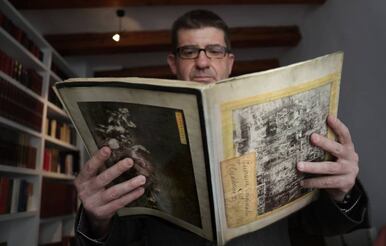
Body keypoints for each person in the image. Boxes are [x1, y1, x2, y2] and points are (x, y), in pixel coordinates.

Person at [74, 9, 369, 246]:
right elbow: (124, 234)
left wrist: (344, 192)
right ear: (173, 63)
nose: (202, 62)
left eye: (214, 50)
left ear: (229, 62)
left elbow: (322, 224)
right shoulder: (140, 137)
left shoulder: (278, 125)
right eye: (189, 51)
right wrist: (96, 220)